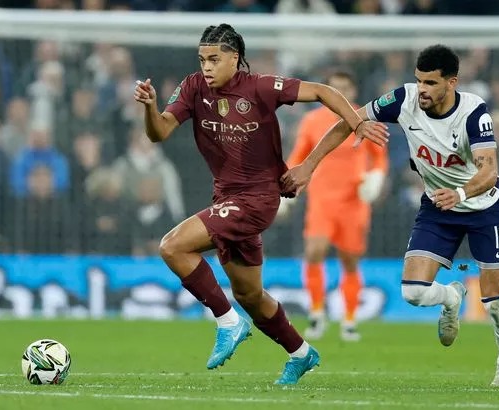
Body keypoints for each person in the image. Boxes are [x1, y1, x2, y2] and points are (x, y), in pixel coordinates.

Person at [133, 23, 388, 385]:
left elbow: (322, 91)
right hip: (226, 197)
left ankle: (227, 321)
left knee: (172, 246)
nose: (206, 66)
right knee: (250, 294)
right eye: (202, 58)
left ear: (234, 59)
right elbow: (158, 133)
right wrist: (150, 107)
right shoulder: (193, 88)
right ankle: (301, 353)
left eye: (214, 59)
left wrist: (357, 123)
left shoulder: (261, 86)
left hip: (258, 198)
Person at [282, 45, 499, 387]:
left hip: (484, 209)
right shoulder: (403, 99)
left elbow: (490, 172)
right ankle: (451, 296)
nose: (422, 89)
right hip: (439, 208)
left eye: (431, 83)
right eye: (418, 80)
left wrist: (462, 193)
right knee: (413, 292)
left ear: (451, 82)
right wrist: (307, 165)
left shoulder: (473, 112)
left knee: (495, 303)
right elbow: (347, 122)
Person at [280, 70, 388, 341]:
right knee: (314, 251)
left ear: (352, 92)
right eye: (333, 89)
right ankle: (317, 314)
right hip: (322, 200)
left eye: (344, 89)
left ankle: (349, 320)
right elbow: (298, 156)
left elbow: (379, 156)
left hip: (353, 201)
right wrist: (282, 189)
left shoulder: (363, 117)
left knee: (349, 261)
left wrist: (375, 177)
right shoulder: (311, 122)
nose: (339, 94)